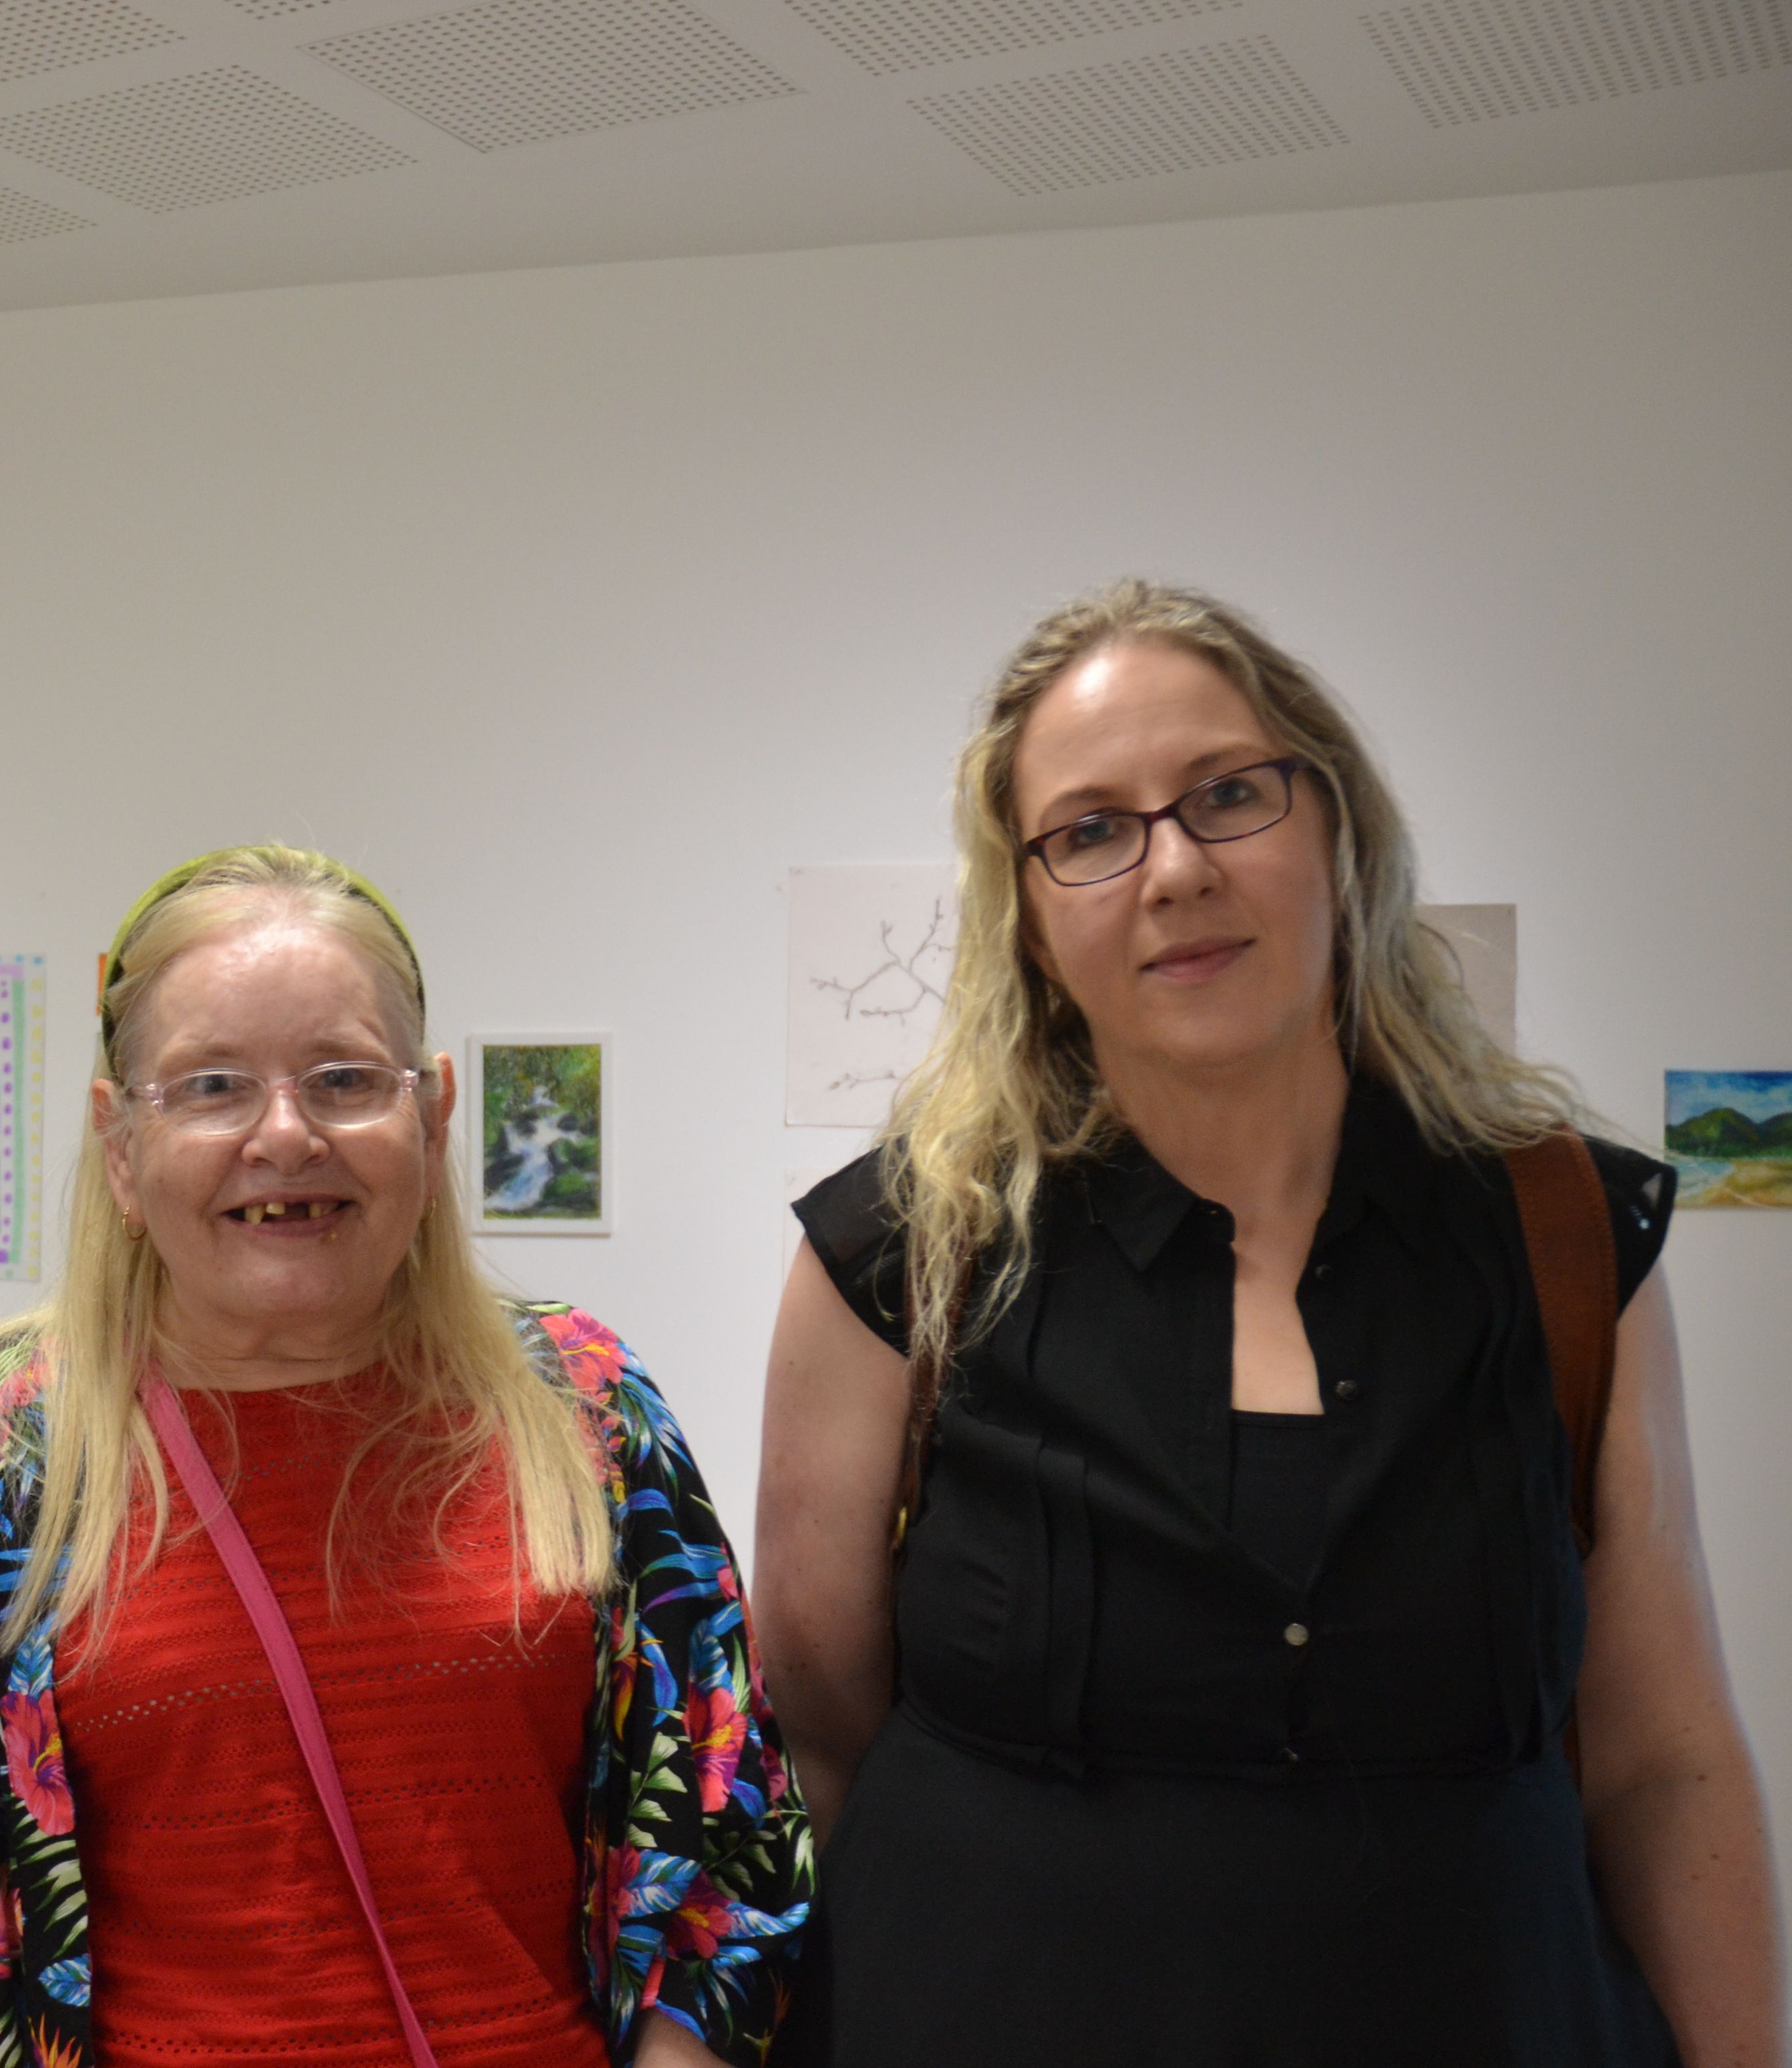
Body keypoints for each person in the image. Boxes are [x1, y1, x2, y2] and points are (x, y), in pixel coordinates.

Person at [754, 580, 1783, 2065]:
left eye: (1227, 795)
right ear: (1033, 922)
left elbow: (1663, 1761)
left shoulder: (1565, 1241)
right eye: (1091, 832)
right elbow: (823, 1735)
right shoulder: (904, 1254)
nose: (1171, 870)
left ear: (1338, 832)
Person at [0, 845, 813, 2068]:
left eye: (342, 1078)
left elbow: (726, 1827)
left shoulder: (586, 1408)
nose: (285, 1135)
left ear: (430, 1115)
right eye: (211, 1086)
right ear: (119, 1145)